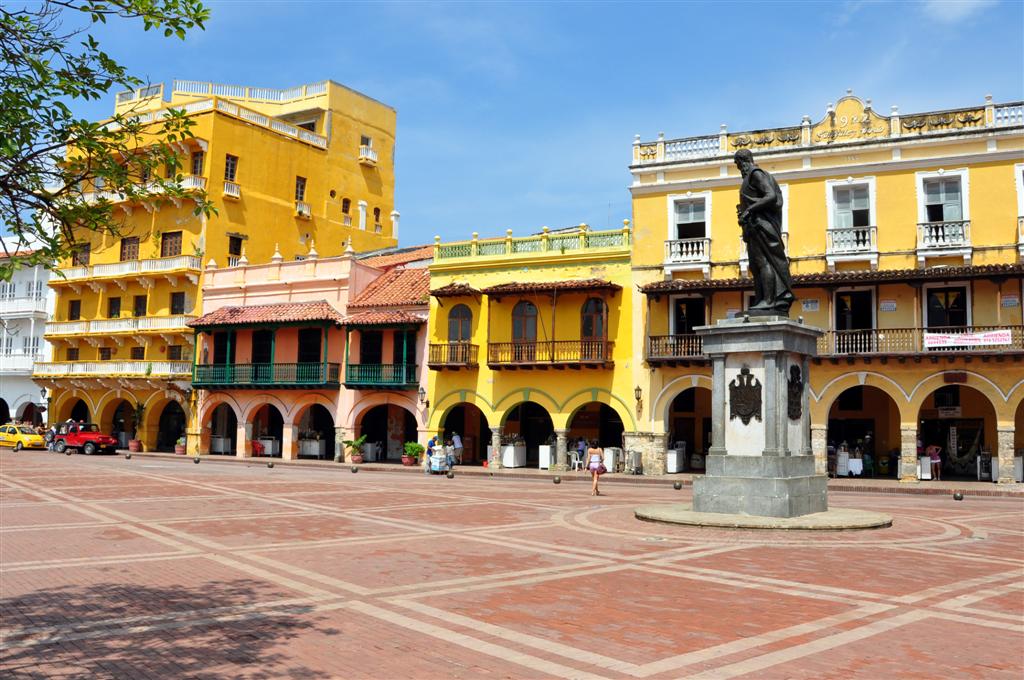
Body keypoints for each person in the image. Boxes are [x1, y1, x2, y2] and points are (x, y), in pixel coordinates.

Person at [734, 149, 794, 315]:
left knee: (763, 262)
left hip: (761, 226)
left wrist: (749, 209)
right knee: (755, 265)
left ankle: (768, 301)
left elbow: (770, 195)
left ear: (743, 161)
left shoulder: (756, 174)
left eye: (738, 165)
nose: (739, 169)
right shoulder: (751, 177)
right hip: (754, 227)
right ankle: (762, 300)